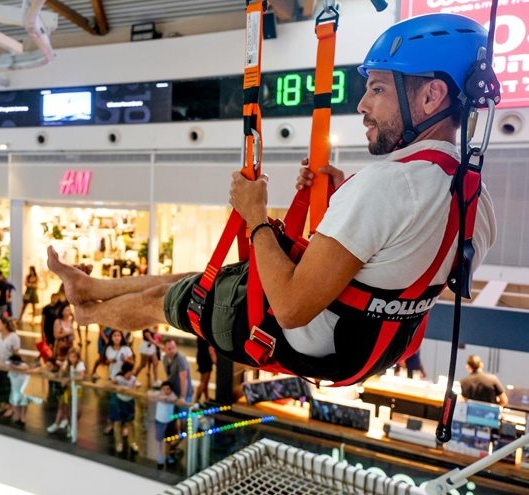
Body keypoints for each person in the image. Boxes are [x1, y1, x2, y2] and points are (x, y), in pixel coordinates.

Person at [46, 13, 496, 384]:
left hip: (298, 337)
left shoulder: (386, 186)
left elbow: (291, 307)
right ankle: (89, 288)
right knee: (202, 278)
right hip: (366, 348)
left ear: (432, 95)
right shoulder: (476, 200)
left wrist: (255, 215)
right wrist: (343, 198)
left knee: (168, 298)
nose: (362, 105)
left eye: (377, 89)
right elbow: (400, 258)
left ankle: (86, 314)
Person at [47, 347, 85, 435]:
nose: (72, 359)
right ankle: (58, 423)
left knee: (78, 410)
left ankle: (72, 425)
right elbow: (60, 374)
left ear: (78, 357)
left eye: (74, 357)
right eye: (70, 357)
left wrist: (69, 379)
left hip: (77, 388)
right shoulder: (66, 363)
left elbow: (81, 376)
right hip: (67, 389)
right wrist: (61, 369)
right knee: (63, 406)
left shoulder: (80, 364)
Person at [111, 361, 140, 454]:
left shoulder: (133, 379)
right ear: (128, 371)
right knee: (117, 423)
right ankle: (119, 443)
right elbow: (110, 384)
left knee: (130, 423)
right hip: (119, 402)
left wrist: (131, 388)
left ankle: (132, 442)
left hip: (129, 402)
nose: (134, 371)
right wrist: (118, 388)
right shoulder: (119, 378)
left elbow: (135, 388)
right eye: (133, 370)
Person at [149, 381, 177, 469]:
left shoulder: (173, 396)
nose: (166, 391)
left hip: (169, 421)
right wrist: (160, 397)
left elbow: (172, 399)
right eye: (164, 389)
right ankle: (160, 456)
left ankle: (167, 455)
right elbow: (150, 394)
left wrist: (164, 398)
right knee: (159, 440)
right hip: (159, 421)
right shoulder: (158, 394)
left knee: (168, 441)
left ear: (171, 390)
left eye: (168, 389)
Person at [194, 338, 217, 404]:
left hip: (201, 356)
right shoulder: (207, 335)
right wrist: (216, 361)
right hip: (206, 358)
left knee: (205, 381)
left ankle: (207, 398)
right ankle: (196, 401)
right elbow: (211, 350)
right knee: (203, 381)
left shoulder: (200, 333)